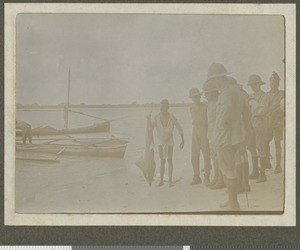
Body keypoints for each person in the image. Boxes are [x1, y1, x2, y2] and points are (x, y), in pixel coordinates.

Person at [206, 63, 247, 211]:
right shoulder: (237, 90)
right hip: (237, 135)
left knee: (228, 169)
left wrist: (221, 125)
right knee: (231, 167)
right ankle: (231, 200)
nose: (213, 83)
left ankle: (233, 203)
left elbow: (226, 110)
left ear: (216, 78)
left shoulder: (225, 92)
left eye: (213, 80)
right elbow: (245, 112)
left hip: (225, 137)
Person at [147, 99, 184, 187]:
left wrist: (183, 140)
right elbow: (150, 128)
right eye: (161, 107)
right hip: (161, 142)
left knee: (170, 160)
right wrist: (148, 119)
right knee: (162, 161)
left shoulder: (171, 116)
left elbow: (180, 128)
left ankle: (170, 181)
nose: (163, 109)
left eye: (164, 107)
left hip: (170, 141)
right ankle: (161, 181)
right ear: (160, 108)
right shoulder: (156, 117)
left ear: (167, 108)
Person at [247, 74, 272, 183]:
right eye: (251, 85)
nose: (253, 86)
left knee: (260, 147)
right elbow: (248, 110)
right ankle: (255, 171)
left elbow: (262, 110)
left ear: (259, 84)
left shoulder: (265, 96)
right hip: (251, 124)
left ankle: (263, 174)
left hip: (261, 124)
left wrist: (253, 110)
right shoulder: (251, 96)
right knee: (251, 147)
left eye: (255, 84)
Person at [202, 82, 226, 190]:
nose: (206, 95)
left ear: (213, 92)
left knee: (219, 157)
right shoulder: (210, 103)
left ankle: (221, 179)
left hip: (217, 132)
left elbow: (219, 120)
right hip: (211, 132)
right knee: (214, 157)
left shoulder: (217, 102)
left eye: (207, 93)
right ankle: (216, 177)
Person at [188, 88, 212, 186]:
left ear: (199, 96)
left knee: (206, 154)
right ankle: (196, 176)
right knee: (194, 155)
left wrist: (203, 123)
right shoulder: (191, 107)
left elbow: (208, 120)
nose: (195, 99)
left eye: (197, 97)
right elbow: (194, 120)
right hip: (195, 130)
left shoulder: (205, 106)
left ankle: (207, 176)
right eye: (193, 97)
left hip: (204, 129)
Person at [267, 72, 284, 174]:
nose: (273, 84)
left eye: (275, 82)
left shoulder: (283, 93)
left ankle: (278, 165)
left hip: (278, 122)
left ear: (278, 83)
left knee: (277, 143)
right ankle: (267, 162)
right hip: (268, 122)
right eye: (271, 82)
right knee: (265, 142)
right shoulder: (267, 94)